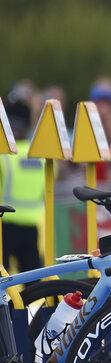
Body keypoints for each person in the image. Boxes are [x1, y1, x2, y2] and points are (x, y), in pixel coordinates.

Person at [0, 95, 45, 272]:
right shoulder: (39, 155)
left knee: (3, 281)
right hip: (32, 225)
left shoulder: (4, 156)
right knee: (33, 281)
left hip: (5, 223)